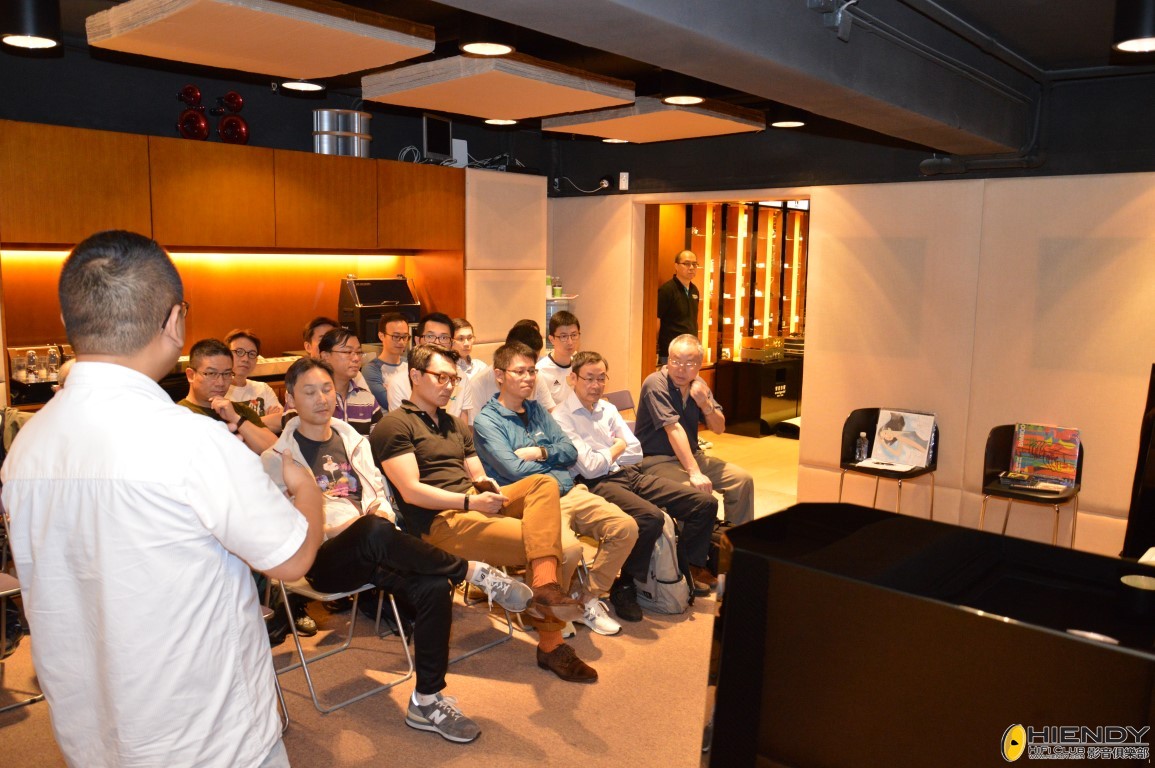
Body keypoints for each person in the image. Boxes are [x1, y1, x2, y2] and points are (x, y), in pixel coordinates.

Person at [1, 229, 323, 767]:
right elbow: (292, 559)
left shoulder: (28, 445)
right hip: (208, 734)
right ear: (175, 321)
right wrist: (307, 489)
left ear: (69, 320)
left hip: (90, 730)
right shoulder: (190, 439)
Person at [263, 357, 532, 744]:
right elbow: (279, 531)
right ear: (290, 398)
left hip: (376, 546)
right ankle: (471, 572)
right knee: (372, 530)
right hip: (321, 560)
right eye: (309, 392)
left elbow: (381, 495)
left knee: (433, 585)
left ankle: (427, 700)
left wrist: (381, 513)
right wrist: (348, 526)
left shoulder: (353, 440)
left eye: (326, 389)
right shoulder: (276, 460)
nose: (321, 398)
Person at [371, 343, 597, 683]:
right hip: (440, 522)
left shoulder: (454, 425)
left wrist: (486, 488)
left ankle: (543, 587)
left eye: (453, 379)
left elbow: (477, 475)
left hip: (473, 504)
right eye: (440, 377)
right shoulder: (394, 425)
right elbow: (411, 491)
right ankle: (551, 643)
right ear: (415, 375)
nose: (449, 386)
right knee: (559, 550)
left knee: (542, 483)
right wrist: (469, 502)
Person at [473, 342, 639, 634]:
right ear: (499, 375)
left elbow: (569, 452)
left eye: (532, 371)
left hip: (570, 491)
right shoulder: (487, 421)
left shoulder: (537, 410)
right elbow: (514, 469)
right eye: (520, 371)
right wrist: (553, 461)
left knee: (625, 528)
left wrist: (540, 453)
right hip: (532, 503)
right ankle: (548, 612)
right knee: (569, 550)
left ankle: (584, 598)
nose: (528, 378)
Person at [552, 350, 719, 605]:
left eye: (601, 378)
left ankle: (685, 568)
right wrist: (617, 446)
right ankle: (626, 583)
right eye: (589, 378)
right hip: (594, 485)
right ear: (573, 379)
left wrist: (611, 452)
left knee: (704, 503)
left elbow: (636, 451)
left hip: (629, 473)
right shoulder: (562, 417)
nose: (596, 385)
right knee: (650, 518)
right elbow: (590, 468)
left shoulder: (607, 408)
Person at [635, 334, 755, 527]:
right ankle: (694, 545)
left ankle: (734, 540)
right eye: (675, 361)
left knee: (742, 480)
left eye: (689, 363)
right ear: (668, 360)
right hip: (656, 460)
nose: (681, 369)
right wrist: (695, 473)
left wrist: (705, 404)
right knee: (693, 492)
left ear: (699, 365)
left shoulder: (699, 385)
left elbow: (719, 428)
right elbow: (674, 429)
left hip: (692, 455)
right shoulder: (655, 383)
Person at [179, 337, 278, 456]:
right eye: (211, 373)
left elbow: (276, 450)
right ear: (191, 375)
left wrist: (235, 418)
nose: (220, 382)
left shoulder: (240, 411)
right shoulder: (178, 415)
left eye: (227, 374)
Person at [386, 312, 473, 419]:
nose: (437, 343)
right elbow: (402, 424)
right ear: (417, 341)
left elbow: (463, 425)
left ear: (451, 343)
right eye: (430, 336)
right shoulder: (398, 382)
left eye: (444, 337)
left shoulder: (461, 378)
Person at [468, 319, 559, 412]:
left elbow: (551, 411)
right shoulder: (478, 384)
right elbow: (474, 421)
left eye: (532, 366)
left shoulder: (535, 376)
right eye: (520, 371)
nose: (528, 377)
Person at [317, 327, 382, 436]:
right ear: (325, 356)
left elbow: (379, 441)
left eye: (359, 352)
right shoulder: (311, 398)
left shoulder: (368, 400)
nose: (356, 358)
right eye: (347, 352)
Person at [226, 328, 285, 433]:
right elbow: (223, 431)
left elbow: (280, 421)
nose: (245, 359)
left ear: (256, 360)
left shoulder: (263, 388)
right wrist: (265, 420)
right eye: (239, 352)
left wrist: (239, 426)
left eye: (252, 354)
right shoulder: (217, 390)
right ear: (226, 355)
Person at [656, 250, 701, 365]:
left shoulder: (694, 290)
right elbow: (656, 319)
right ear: (676, 266)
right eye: (687, 264)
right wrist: (655, 347)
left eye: (694, 264)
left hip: (691, 351)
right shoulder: (667, 290)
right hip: (671, 352)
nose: (691, 267)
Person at [363, 311, 411, 411]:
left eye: (405, 337)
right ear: (381, 336)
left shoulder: (411, 364)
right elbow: (388, 402)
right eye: (396, 336)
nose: (401, 342)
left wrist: (391, 390)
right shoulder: (371, 369)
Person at [536, 310, 581, 408]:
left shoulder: (580, 366)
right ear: (552, 339)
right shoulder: (541, 371)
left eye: (574, 335)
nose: (570, 342)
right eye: (563, 336)